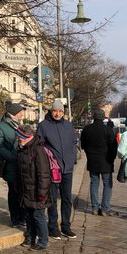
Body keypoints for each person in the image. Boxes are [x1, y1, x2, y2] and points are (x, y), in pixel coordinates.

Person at [36, 99, 77, 239]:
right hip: (52, 168)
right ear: (51, 111)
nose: (57, 113)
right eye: (55, 111)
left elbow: (73, 143)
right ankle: (53, 227)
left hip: (67, 168)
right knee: (52, 199)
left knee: (67, 199)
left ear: (63, 112)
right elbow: (39, 146)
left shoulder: (68, 125)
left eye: (60, 111)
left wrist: (72, 159)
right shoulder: (43, 125)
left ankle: (66, 226)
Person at [16, 124, 52, 251]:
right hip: (27, 190)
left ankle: (43, 241)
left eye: (20, 137)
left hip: (37, 191)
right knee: (29, 215)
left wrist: (42, 193)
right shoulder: (22, 149)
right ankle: (30, 237)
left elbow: (44, 174)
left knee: (38, 216)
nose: (18, 139)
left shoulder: (38, 150)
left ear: (27, 137)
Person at [80, 110, 118, 217]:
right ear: (103, 118)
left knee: (94, 183)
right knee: (107, 184)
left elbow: (83, 145)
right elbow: (113, 147)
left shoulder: (87, 129)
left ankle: (95, 208)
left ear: (94, 117)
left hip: (92, 161)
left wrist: (89, 153)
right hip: (106, 161)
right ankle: (105, 208)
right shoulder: (108, 130)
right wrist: (111, 159)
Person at [0, 102, 26, 227]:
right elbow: (0, 147)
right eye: (20, 113)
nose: (22, 115)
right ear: (14, 114)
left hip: (23, 163)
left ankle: (23, 217)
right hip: (11, 164)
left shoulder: (21, 125)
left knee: (23, 191)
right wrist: (13, 157)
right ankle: (15, 218)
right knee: (13, 192)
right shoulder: (2, 126)